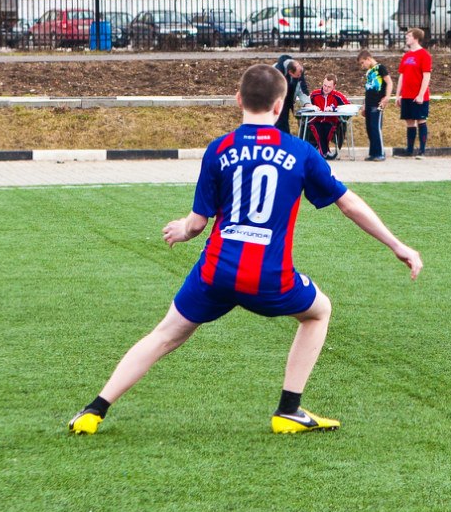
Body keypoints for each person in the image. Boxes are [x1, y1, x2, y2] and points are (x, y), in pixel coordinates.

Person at [67, 64, 423, 436]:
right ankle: (289, 409)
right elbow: (349, 205)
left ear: (238, 99)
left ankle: (94, 410)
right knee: (319, 312)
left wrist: (181, 230)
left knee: (164, 335)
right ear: (280, 105)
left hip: (216, 272)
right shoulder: (300, 152)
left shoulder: (219, 149)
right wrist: (397, 245)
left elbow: (196, 224)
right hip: (270, 278)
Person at [398, 27, 432, 158]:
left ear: (416, 38)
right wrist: (398, 94)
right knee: (409, 122)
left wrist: (421, 94)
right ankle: (409, 150)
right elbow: (402, 75)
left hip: (418, 96)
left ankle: (422, 151)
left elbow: (426, 76)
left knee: (421, 120)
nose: (406, 38)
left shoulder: (424, 55)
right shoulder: (406, 56)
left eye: (409, 36)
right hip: (406, 95)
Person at [358, 49, 392, 161]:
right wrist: (364, 104)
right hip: (369, 103)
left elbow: (389, 82)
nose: (362, 66)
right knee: (370, 129)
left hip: (377, 103)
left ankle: (380, 153)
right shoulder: (369, 72)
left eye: (363, 62)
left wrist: (387, 97)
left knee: (376, 128)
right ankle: (373, 153)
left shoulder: (380, 68)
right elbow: (368, 89)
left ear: (368, 59)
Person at [307, 74, 350, 159]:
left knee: (328, 128)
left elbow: (348, 106)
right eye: (324, 85)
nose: (326, 88)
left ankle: (322, 152)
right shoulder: (314, 94)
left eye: (329, 87)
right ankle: (324, 152)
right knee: (317, 127)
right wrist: (312, 107)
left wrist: (334, 109)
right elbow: (306, 104)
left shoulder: (337, 95)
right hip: (316, 120)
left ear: (334, 86)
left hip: (331, 121)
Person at [272, 55, 308, 135]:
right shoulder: (275, 72)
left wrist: (307, 103)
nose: (300, 77)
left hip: (288, 97)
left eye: (300, 74)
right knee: (281, 123)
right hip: (276, 98)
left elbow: (303, 89)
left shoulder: (299, 70)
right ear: (290, 72)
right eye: (297, 76)